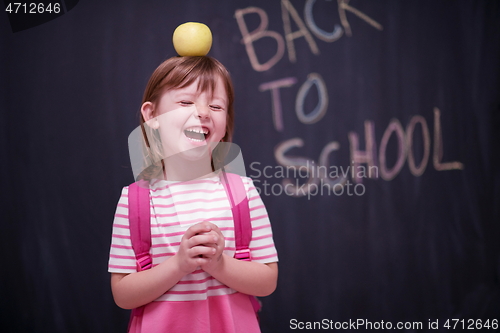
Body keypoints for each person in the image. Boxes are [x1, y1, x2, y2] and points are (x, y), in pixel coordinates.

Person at [108, 56, 279, 333]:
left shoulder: (243, 193)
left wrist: (219, 264)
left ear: (225, 123)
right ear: (152, 116)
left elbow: (267, 281)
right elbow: (123, 294)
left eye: (215, 105)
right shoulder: (135, 200)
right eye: (186, 102)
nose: (202, 112)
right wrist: (179, 264)